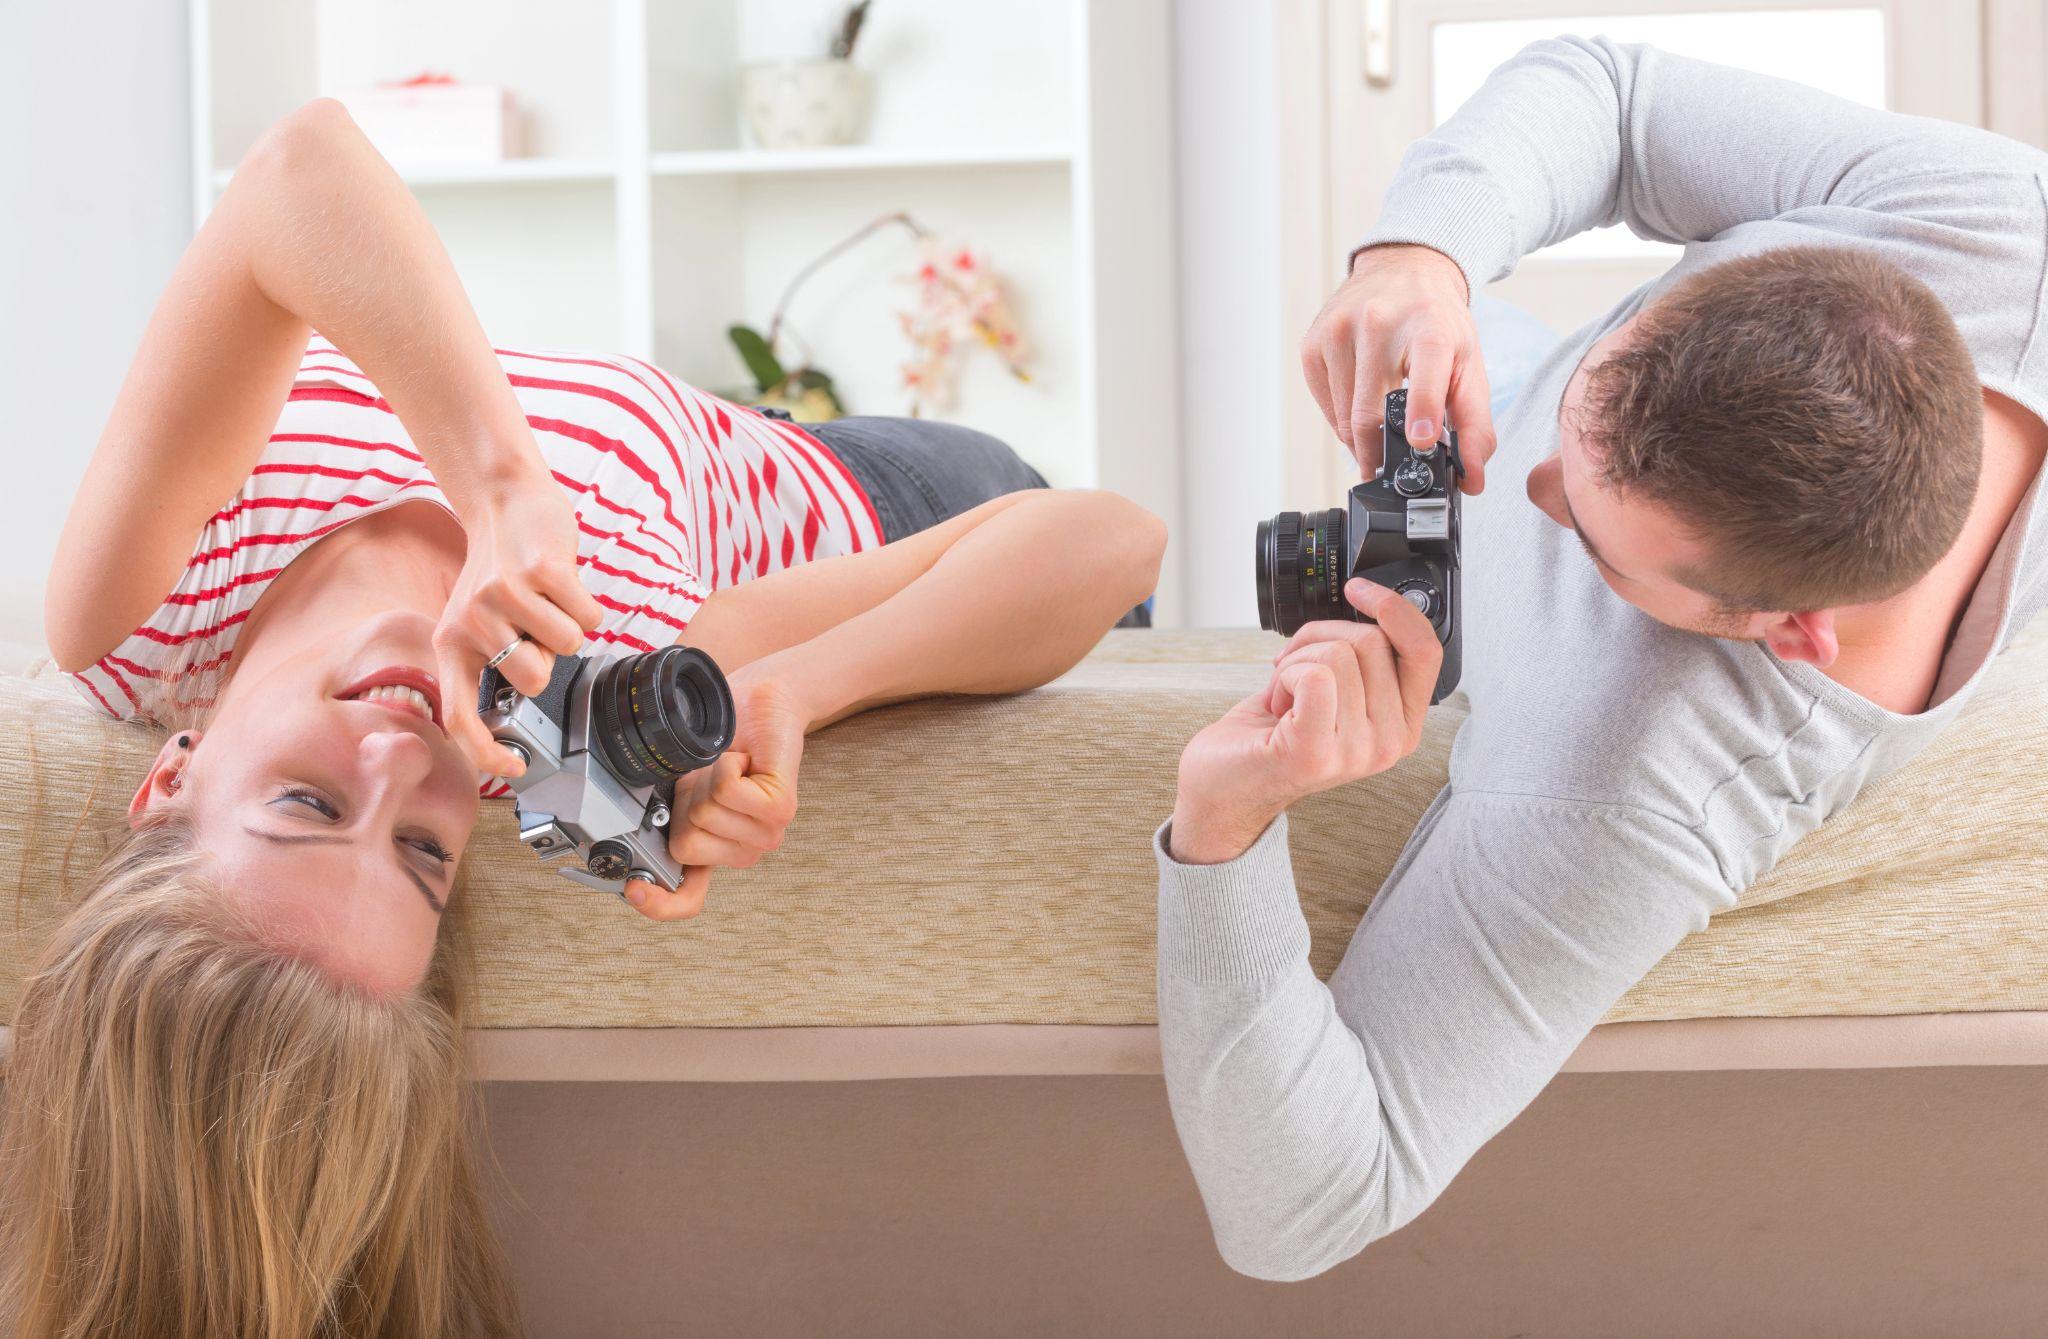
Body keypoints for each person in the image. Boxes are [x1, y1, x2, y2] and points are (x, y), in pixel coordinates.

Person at [3, 99, 1164, 1336]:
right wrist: (799, 691)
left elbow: (296, 169)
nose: (401, 762)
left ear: (170, 778)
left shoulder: (139, 606)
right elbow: (1109, 539)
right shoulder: (572, 707)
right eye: (420, 850)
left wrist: (502, 489)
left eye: (308, 804)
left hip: (737, 427)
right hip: (885, 498)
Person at [1158, 38, 2047, 1280]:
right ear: (1800, 263)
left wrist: (1224, 822)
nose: (1518, 494)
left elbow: (1304, 1208)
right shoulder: (1982, 221)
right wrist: (1425, 256)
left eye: (1583, 529)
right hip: (1517, 363)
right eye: (1613, 362)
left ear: (1777, 628)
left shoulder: (1633, 782)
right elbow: (1611, 93)